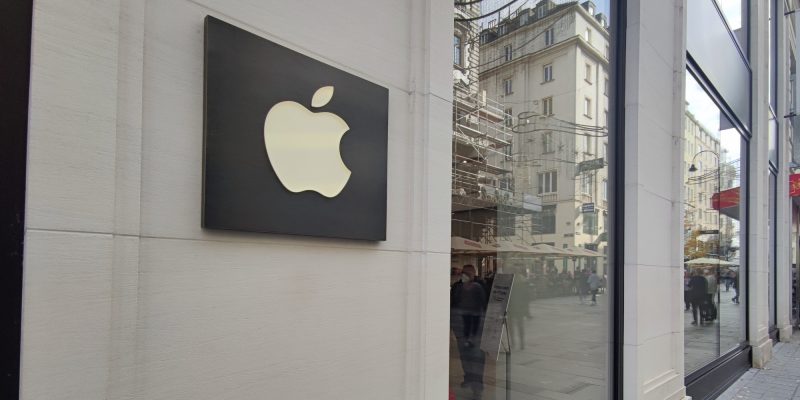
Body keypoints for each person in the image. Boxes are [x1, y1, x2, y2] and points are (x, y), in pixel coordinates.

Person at [450, 265, 487, 399]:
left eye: (468, 273)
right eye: (464, 273)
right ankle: (468, 378)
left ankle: (477, 387)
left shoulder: (480, 286)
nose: (465, 275)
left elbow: (484, 306)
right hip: (461, 328)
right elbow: (452, 305)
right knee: (464, 355)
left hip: (476, 330)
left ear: (473, 273)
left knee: (477, 358)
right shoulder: (457, 287)